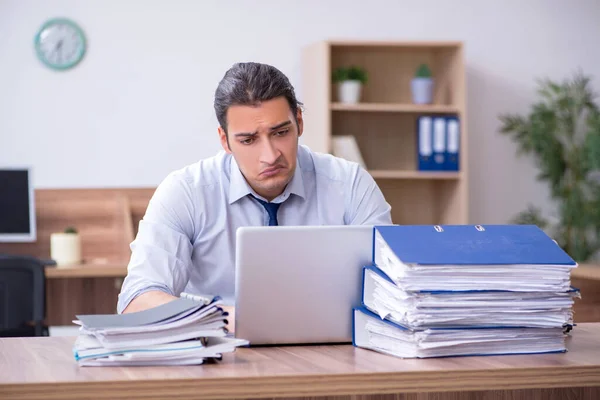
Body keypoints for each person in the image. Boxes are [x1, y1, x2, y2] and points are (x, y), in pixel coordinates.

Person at [117, 62, 392, 314]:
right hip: (217, 348)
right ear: (225, 141)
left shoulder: (351, 184)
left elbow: (392, 289)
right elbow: (137, 299)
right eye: (249, 140)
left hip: (331, 351)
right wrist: (230, 320)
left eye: (281, 133)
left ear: (299, 121)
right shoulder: (186, 192)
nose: (270, 155)